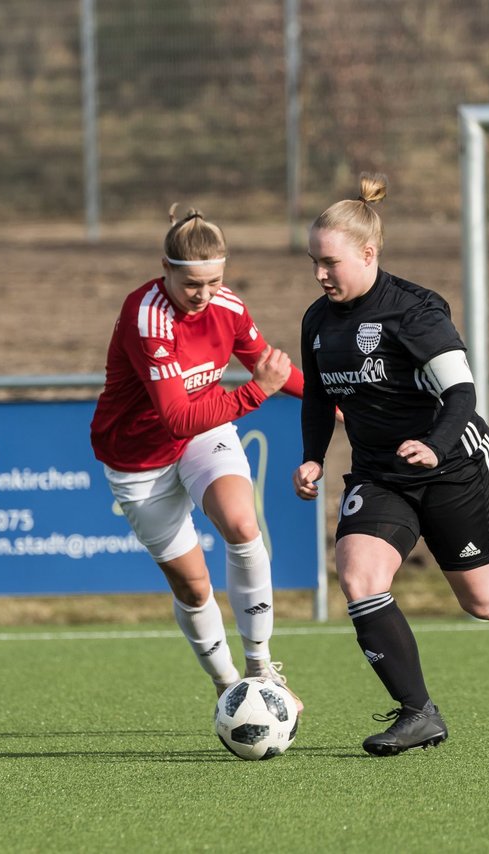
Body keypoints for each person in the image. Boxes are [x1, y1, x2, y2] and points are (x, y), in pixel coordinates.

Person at [292, 172, 489, 756]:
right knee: (358, 577)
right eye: (314, 263)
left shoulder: (416, 311)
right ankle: (418, 712)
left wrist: (435, 446)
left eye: (330, 262)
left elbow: (462, 396)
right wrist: (312, 460)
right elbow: (322, 398)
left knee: (485, 602)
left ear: (368, 254)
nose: (321, 275)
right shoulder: (318, 321)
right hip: (380, 474)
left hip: (457, 467)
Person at [91, 204, 304, 710]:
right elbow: (176, 419)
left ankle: (260, 669)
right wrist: (256, 393)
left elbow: (267, 364)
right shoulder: (147, 318)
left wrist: (336, 405)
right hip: (138, 458)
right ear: (165, 270)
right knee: (193, 586)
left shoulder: (226, 306)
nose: (204, 295)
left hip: (204, 435)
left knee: (241, 524)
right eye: (193, 285)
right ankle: (227, 684)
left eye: (215, 281)